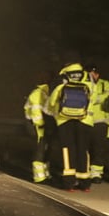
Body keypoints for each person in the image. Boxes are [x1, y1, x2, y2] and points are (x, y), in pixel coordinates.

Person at [46, 62, 95, 191]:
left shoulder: (62, 78)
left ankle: (69, 182)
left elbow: (52, 101)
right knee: (83, 150)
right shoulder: (88, 78)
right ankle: (85, 183)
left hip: (64, 119)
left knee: (68, 149)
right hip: (85, 119)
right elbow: (94, 99)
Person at [23, 71, 54, 183]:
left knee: (45, 149)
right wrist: (40, 124)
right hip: (36, 125)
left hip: (40, 125)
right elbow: (35, 111)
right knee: (40, 149)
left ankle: (45, 174)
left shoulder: (44, 93)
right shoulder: (38, 93)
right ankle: (39, 177)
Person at [85, 64, 109, 183]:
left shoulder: (105, 83)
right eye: (91, 72)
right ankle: (84, 172)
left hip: (101, 121)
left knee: (99, 149)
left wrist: (94, 98)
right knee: (85, 148)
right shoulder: (84, 83)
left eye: (95, 73)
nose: (94, 75)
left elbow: (108, 95)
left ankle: (96, 174)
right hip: (86, 120)